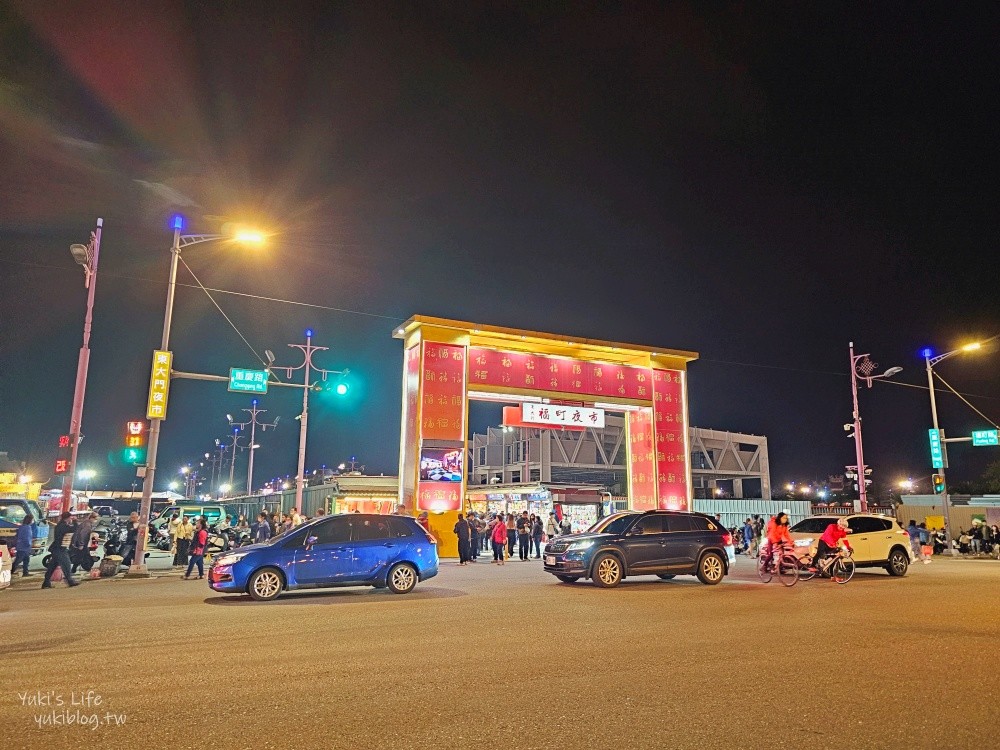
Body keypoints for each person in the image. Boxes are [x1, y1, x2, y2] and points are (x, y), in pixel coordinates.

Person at [42, 512, 78, 588]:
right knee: (66, 564)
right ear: (68, 518)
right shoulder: (62, 526)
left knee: (52, 566)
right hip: (60, 549)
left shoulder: (61, 525)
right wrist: (75, 522)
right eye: (70, 518)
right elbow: (74, 529)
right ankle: (70, 581)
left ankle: (46, 582)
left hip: (58, 548)